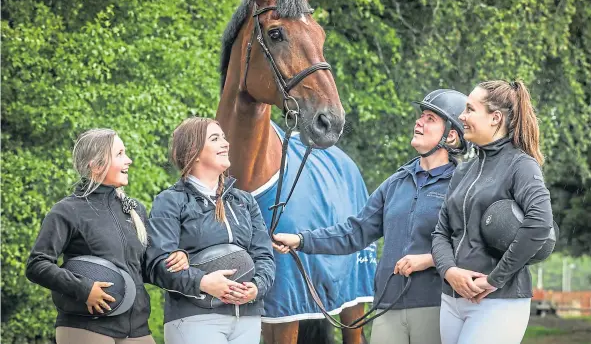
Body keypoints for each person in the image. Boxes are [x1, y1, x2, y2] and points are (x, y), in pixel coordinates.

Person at [273, 89, 469, 344]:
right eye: (421, 116)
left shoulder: (463, 185)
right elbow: (354, 232)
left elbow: (472, 245)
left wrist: (430, 260)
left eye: (431, 118)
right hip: (387, 308)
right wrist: (301, 240)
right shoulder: (396, 183)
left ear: (451, 135)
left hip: (437, 306)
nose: (419, 122)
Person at [25, 128, 188, 344]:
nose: (128, 160)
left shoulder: (134, 208)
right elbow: (37, 264)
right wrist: (84, 289)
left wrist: (177, 257)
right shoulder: (67, 210)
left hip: (137, 329)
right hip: (85, 327)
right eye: (120, 154)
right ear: (96, 164)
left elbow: (147, 268)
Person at [431, 80, 554, 344]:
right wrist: (449, 271)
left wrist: (495, 279)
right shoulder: (463, 170)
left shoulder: (521, 165)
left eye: (470, 109)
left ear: (495, 118)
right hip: (451, 299)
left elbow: (541, 223)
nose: (461, 116)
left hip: (498, 301)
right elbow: (441, 231)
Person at [145, 117, 275, 344]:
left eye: (224, 137)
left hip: (247, 318)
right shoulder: (170, 201)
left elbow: (264, 256)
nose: (226, 143)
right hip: (194, 319)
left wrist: (257, 287)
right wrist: (203, 282)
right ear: (193, 152)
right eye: (215, 139)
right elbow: (156, 264)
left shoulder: (244, 201)